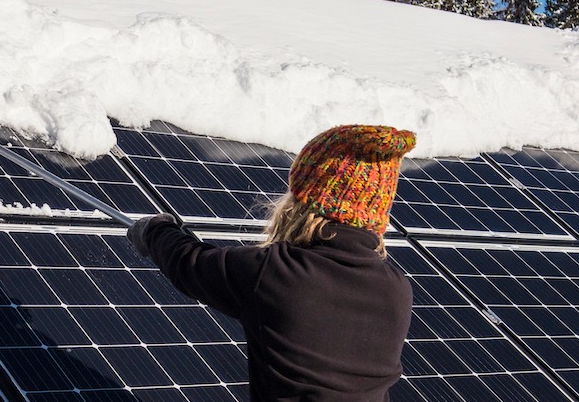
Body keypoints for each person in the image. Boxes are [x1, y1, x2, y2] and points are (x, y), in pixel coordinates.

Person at [127, 124, 415, 401]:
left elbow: (190, 264)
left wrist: (156, 231)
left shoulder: (277, 273)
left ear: (306, 203)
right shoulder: (397, 288)